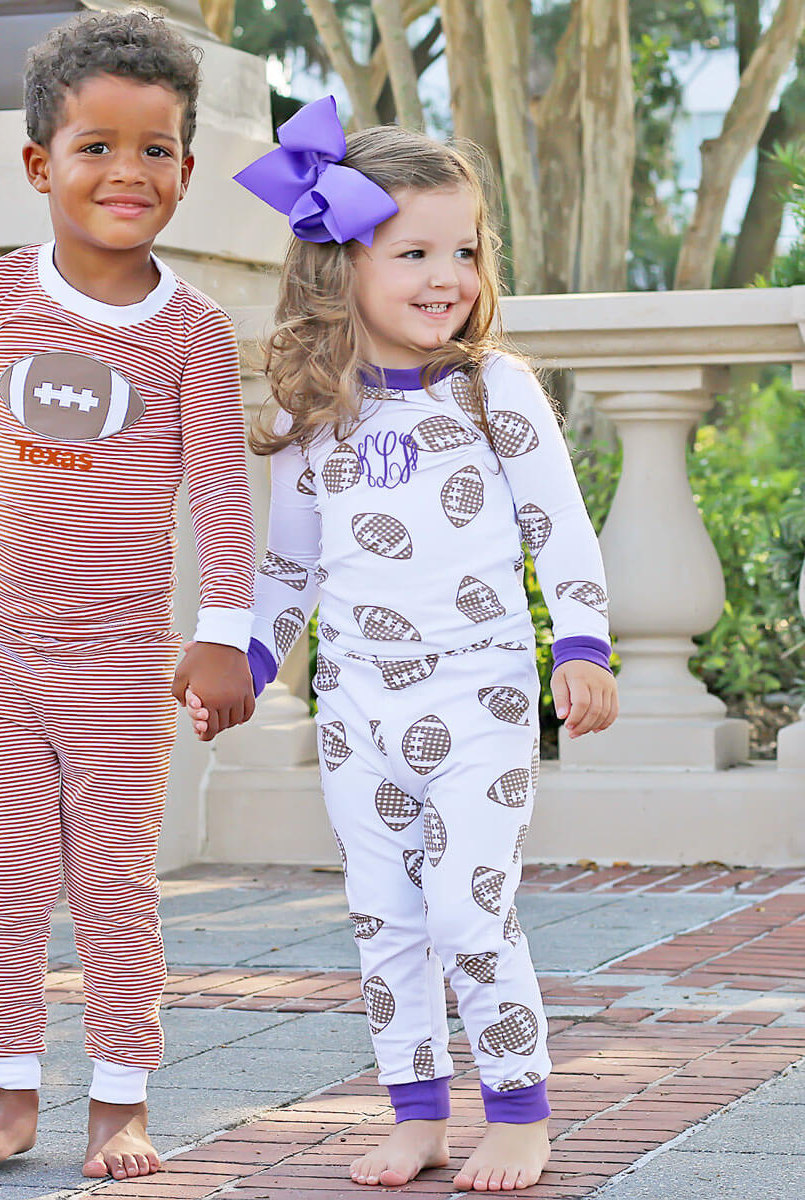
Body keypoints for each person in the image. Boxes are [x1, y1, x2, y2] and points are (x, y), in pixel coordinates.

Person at [185, 97, 619, 1191]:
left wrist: (583, 645)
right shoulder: (311, 412)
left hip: (477, 702)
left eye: (464, 250)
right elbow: (287, 571)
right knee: (385, 919)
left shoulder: (493, 390)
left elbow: (558, 527)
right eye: (415, 250)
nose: (448, 275)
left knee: (471, 907)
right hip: (358, 712)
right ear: (342, 267)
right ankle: (417, 1110)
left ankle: (519, 1110)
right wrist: (248, 664)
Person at [0, 9, 255, 1180]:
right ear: (42, 164)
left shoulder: (194, 332)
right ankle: (9, 1094)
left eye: (155, 150)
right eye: (96, 146)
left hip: (122, 658)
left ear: (186, 171)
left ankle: (119, 1102)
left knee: (114, 880)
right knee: (10, 878)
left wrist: (221, 635)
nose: (125, 172)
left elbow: (221, 497)